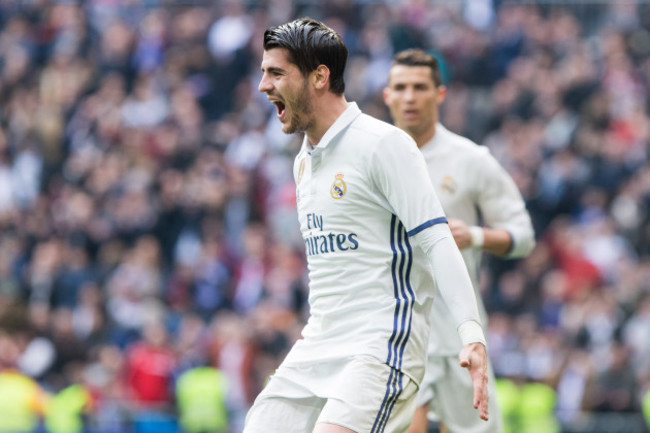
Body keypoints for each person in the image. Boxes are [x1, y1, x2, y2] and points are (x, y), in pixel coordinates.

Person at [245, 18, 489, 433]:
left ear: (319, 76)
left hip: (382, 346)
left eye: (276, 73)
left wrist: (471, 333)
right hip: (318, 345)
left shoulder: (383, 144)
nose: (263, 85)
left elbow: (436, 239)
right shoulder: (303, 161)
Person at [383, 48, 536, 433]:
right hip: (394, 330)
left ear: (440, 94)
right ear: (387, 95)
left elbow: (523, 237)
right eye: (400, 87)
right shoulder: (372, 159)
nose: (409, 97)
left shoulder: (470, 159)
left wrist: (476, 235)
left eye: (420, 87)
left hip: (458, 332)